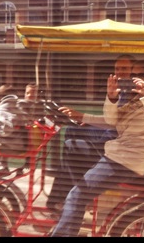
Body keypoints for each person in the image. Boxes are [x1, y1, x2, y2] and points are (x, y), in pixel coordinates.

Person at [50, 59, 144, 236]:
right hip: (118, 155)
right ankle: (75, 204)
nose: (136, 79)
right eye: (133, 75)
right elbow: (111, 120)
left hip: (125, 161)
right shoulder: (135, 100)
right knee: (72, 146)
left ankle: (74, 204)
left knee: (76, 196)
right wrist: (111, 98)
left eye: (142, 75)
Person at [46, 54, 136, 209]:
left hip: (115, 142)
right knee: (71, 130)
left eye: (125, 68)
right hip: (112, 134)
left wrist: (83, 116)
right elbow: (112, 120)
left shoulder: (133, 93)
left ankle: (76, 195)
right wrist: (83, 119)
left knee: (70, 145)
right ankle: (60, 195)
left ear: (133, 70)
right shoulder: (121, 89)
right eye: (117, 68)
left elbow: (113, 123)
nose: (120, 72)